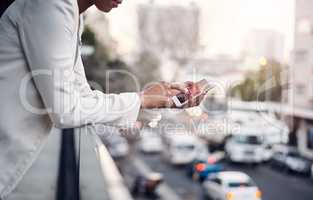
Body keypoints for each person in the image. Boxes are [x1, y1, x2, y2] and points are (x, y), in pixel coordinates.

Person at [0, 0, 202, 198]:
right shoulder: (50, 7)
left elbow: (82, 96)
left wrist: (158, 99)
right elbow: (66, 110)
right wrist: (140, 99)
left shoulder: (72, 14)